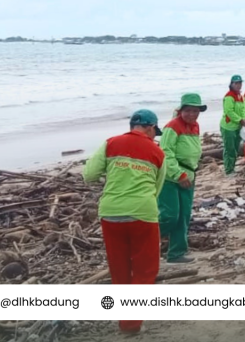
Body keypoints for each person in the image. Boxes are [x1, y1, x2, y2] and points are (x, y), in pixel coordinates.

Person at [82, 109, 165, 333]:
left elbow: (88, 175)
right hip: (142, 213)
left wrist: (114, 178)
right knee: (146, 270)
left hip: (110, 213)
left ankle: (125, 321)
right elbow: (157, 188)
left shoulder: (111, 143)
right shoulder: (157, 151)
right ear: (149, 127)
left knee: (119, 270)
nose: (154, 135)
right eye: (154, 131)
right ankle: (131, 322)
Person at [158, 93, 206, 264]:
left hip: (190, 175)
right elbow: (165, 153)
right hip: (172, 178)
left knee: (184, 216)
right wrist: (179, 174)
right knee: (170, 215)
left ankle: (176, 253)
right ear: (181, 110)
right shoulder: (172, 127)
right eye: (188, 111)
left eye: (196, 111)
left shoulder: (195, 126)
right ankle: (145, 240)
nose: (192, 114)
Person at [220, 75, 245, 176]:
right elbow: (229, 112)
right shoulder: (229, 96)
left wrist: (244, 120)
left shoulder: (239, 96)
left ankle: (232, 167)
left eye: (240, 83)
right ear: (231, 84)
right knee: (229, 149)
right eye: (236, 83)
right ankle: (228, 170)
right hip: (228, 127)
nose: (238, 85)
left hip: (237, 126)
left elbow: (242, 110)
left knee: (235, 149)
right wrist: (240, 120)